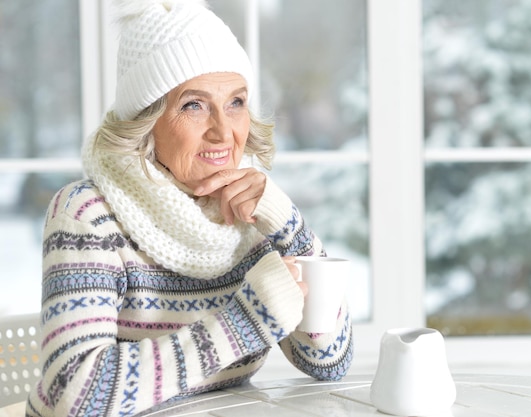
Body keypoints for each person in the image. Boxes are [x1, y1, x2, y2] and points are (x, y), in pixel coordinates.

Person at [26, 1, 353, 416]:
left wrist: (289, 225)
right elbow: (73, 398)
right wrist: (244, 323)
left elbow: (329, 361)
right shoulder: (87, 215)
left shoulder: (248, 212)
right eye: (193, 105)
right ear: (145, 122)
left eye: (235, 102)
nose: (222, 130)